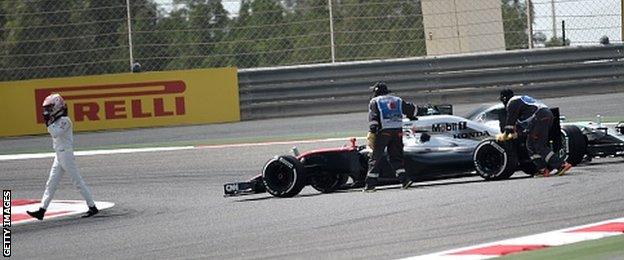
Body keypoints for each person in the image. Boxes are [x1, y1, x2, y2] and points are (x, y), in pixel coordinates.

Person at [27, 93, 99, 220]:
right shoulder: (57, 121)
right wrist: (49, 122)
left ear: (57, 106)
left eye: (50, 108)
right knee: (51, 183)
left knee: (77, 181)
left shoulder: (65, 121)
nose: (47, 111)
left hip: (66, 154)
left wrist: (47, 123)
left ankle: (92, 207)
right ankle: (42, 210)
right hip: (59, 155)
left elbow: (55, 133)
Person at [497, 89, 572, 177]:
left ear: (505, 98)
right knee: (530, 145)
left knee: (539, 145)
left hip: (540, 117)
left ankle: (561, 165)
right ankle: (542, 169)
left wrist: (505, 135)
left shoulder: (512, 103)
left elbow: (510, 123)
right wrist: (516, 134)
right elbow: (524, 126)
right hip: (544, 116)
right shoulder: (520, 101)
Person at [364, 82, 417, 192]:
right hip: (398, 132)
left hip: (383, 132)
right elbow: (410, 110)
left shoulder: (375, 101)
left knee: (375, 158)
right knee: (396, 157)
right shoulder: (397, 99)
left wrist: (372, 131)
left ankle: (370, 185)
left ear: (376, 92)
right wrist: (412, 116)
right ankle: (405, 180)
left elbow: (373, 117)